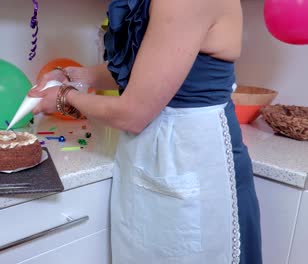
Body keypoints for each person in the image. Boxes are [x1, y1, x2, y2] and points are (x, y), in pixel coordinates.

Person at [29, 0, 262, 263]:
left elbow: (133, 113)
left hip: (198, 158)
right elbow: (149, 65)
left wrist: (64, 97)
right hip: (158, 151)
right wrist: (76, 76)